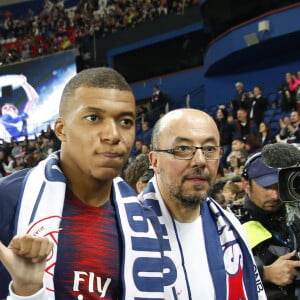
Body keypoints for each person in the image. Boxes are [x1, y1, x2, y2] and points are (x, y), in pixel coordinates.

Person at [0, 67, 168, 299]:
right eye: (93, 118)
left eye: (126, 121)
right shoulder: (8, 199)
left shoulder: (146, 223)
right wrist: (26, 292)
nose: (113, 134)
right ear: (61, 129)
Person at [139, 108, 267, 299]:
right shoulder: (126, 234)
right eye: (183, 149)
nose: (200, 160)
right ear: (155, 161)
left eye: (209, 149)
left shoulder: (232, 229)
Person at [240, 152, 300, 299]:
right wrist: (264, 274)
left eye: (280, 187)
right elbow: (213, 278)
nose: (275, 196)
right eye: (267, 187)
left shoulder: (294, 219)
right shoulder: (230, 227)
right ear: (246, 185)